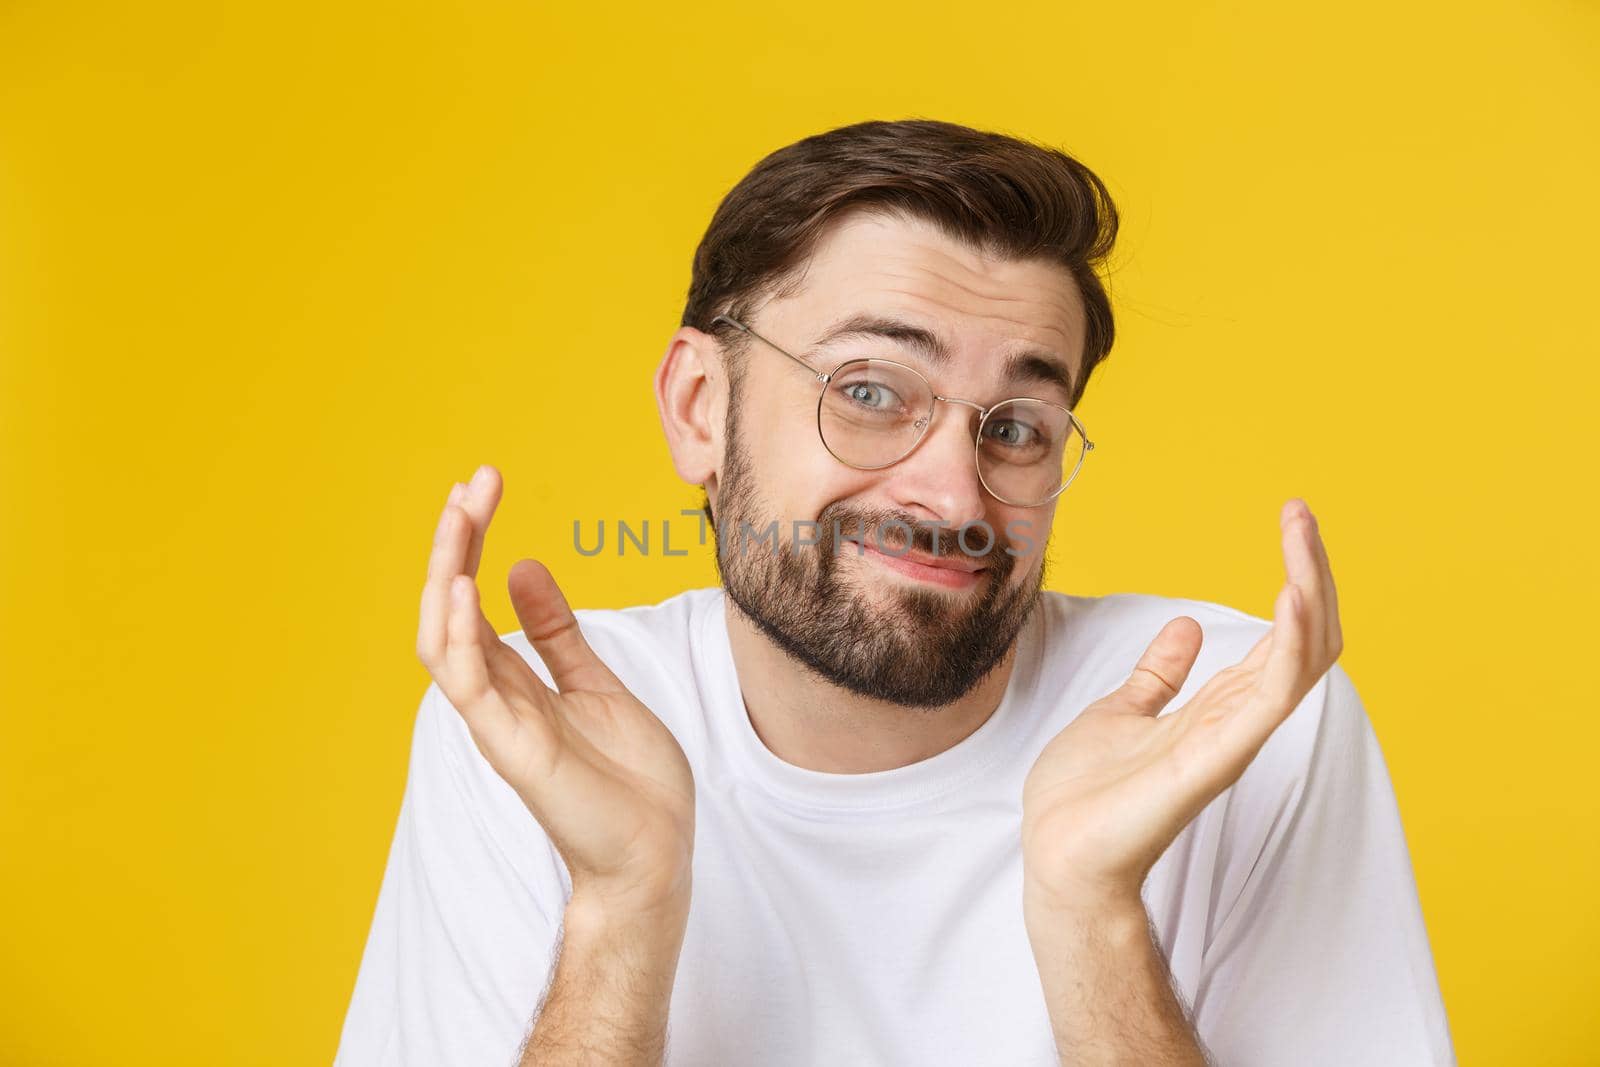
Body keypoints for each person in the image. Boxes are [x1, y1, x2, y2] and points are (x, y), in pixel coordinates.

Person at [334, 118, 1454, 1066]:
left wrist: (1094, 920)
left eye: (1016, 427)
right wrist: (619, 909)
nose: (950, 490)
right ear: (695, 406)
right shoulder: (539, 732)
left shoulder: (1234, 718)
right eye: (871, 390)